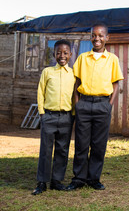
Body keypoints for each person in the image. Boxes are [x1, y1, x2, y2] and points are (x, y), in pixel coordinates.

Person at [66, 23, 124, 191]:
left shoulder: (112, 59)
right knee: (81, 144)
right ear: (90, 37)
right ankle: (78, 178)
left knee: (99, 145)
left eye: (100, 35)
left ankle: (93, 178)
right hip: (84, 104)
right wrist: (78, 103)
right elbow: (76, 83)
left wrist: (109, 105)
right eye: (93, 35)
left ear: (107, 38)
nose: (96, 38)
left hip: (102, 105)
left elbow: (116, 84)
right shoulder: (83, 58)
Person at [32, 40, 75, 195]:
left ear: (70, 54)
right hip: (48, 116)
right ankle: (42, 182)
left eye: (65, 52)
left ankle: (57, 181)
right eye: (58, 52)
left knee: (62, 150)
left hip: (66, 117)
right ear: (54, 54)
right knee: (46, 150)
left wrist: (73, 115)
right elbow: (40, 92)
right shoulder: (47, 72)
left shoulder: (73, 74)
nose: (61, 55)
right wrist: (42, 113)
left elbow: (75, 95)